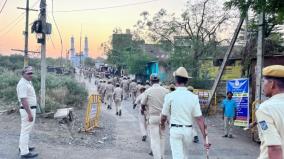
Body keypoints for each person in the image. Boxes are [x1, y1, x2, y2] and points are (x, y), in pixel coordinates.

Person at [160, 67, 210, 159]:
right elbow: (199, 119)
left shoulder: (170, 96)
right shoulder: (193, 97)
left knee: (177, 156)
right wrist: (204, 137)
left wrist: (162, 124)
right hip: (188, 132)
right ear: (186, 81)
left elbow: (163, 116)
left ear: (176, 80)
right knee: (184, 156)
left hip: (175, 130)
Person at [256, 65, 284, 159]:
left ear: (272, 84)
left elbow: (274, 147)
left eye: (264, 81)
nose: (263, 85)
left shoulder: (265, 109)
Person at [141, 73, 169, 159]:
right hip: (163, 117)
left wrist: (143, 110)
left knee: (154, 139)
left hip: (153, 117)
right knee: (162, 137)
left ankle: (157, 157)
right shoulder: (166, 91)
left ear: (150, 81)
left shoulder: (148, 91)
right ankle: (162, 156)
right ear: (159, 80)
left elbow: (142, 104)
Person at [16, 66, 38, 158]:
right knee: (25, 131)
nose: (31, 75)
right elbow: (23, 100)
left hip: (30, 109)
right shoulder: (22, 84)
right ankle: (24, 153)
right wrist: (29, 114)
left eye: (31, 73)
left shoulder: (27, 82)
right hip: (27, 110)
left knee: (25, 130)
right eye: (29, 73)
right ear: (23, 74)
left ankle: (23, 147)